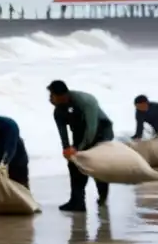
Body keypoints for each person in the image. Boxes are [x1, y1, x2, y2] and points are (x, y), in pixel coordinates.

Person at [48, 80, 114, 212]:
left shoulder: (86, 101)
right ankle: (77, 202)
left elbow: (92, 128)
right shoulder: (58, 111)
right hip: (80, 133)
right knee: (74, 165)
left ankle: (102, 196)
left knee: (97, 165)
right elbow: (63, 133)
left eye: (52, 95)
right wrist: (67, 149)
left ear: (61, 95)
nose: (50, 98)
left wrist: (78, 148)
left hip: (100, 131)